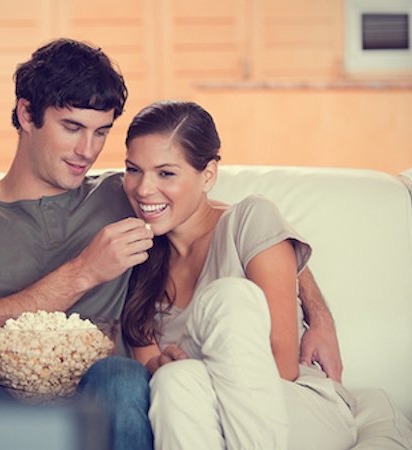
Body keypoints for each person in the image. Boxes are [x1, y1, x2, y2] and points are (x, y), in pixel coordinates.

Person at [0, 38, 154, 450]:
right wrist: (85, 272)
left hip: (101, 407)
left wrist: (290, 268)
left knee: (122, 376)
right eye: (72, 128)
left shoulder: (123, 193)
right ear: (26, 114)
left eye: (101, 132)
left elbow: (210, 212)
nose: (88, 151)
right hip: (2, 417)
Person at [121, 100, 357, 449]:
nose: (143, 189)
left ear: (208, 175)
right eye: (133, 169)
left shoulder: (248, 221)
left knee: (228, 297)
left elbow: (282, 367)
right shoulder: (135, 259)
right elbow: (152, 373)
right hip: (198, 414)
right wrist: (167, 369)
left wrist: (320, 315)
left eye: (166, 173)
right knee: (174, 382)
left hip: (292, 404)